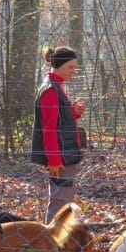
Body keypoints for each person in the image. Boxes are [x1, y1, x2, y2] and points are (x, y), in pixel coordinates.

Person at [31, 46, 86, 224]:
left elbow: (59, 118)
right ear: (59, 66)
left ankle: (58, 242)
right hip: (60, 158)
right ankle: (52, 244)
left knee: (64, 201)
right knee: (59, 203)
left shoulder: (56, 86)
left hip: (65, 153)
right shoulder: (50, 91)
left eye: (75, 67)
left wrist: (73, 111)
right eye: (70, 67)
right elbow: (49, 129)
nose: (73, 71)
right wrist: (54, 160)